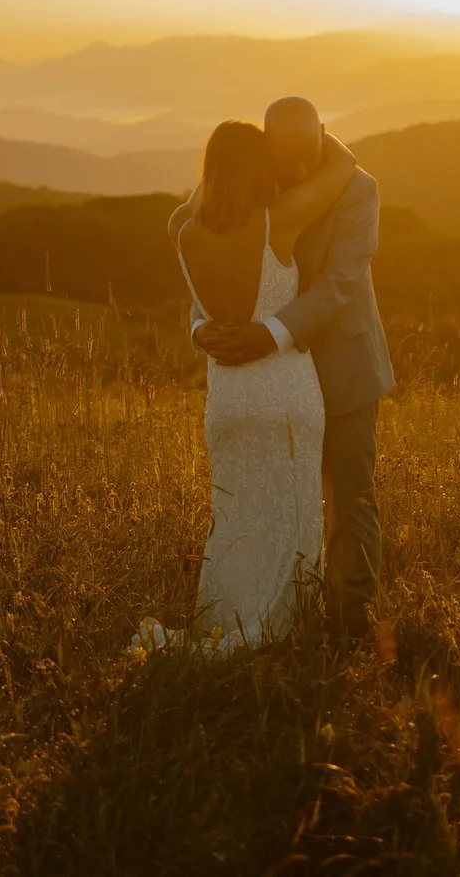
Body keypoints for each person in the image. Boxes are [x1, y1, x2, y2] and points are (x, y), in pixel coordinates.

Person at [167, 98, 396, 644]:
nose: (291, 173)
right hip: (272, 382)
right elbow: (207, 281)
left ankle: (345, 629)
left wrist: (266, 333)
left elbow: (340, 284)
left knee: (348, 500)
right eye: (280, 159)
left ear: (322, 139)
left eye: (304, 157)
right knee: (254, 500)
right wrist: (202, 329)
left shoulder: (358, 190)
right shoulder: (255, 195)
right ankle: (265, 617)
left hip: (338, 367)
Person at [134, 116, 357, 653]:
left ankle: (227, 618)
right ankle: (281, 630)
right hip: (284, 391)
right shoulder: (277, 221)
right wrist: (313, 129)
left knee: (237, 515)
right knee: (294, 514)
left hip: (228, 396)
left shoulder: (184, 231)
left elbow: (196, 207)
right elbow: (344, 166)